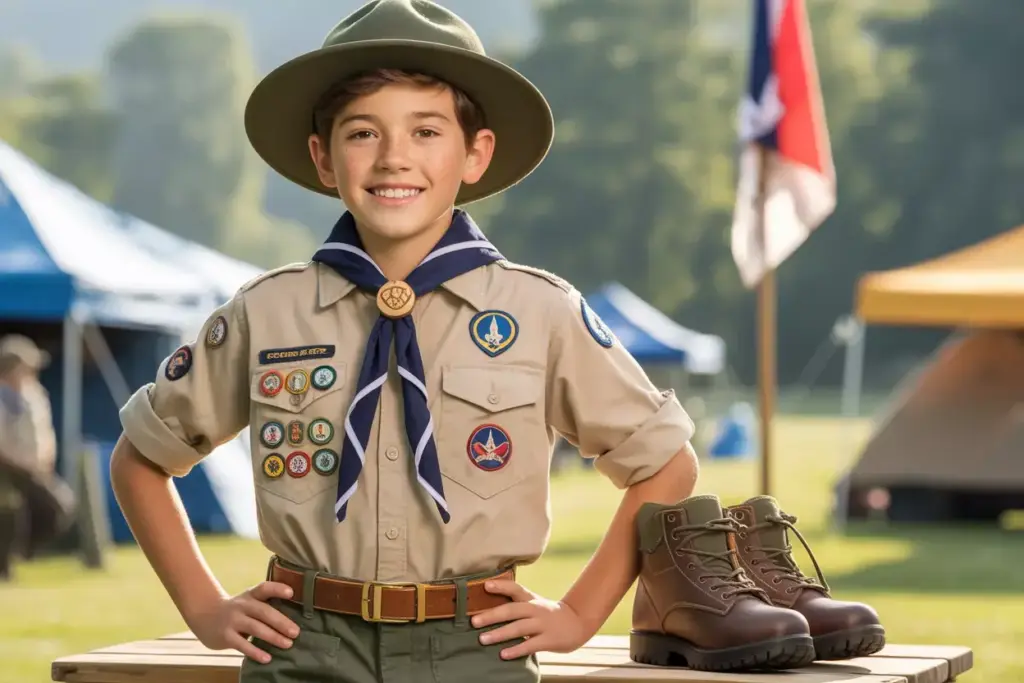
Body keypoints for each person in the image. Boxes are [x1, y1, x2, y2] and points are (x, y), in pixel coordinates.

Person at [109, 1, 700, 681]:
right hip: (304, 647)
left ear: (475, 153)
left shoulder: (539, 311)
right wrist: (204, 606)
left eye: (426, 131)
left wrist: (577, 613)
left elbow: (665, 462)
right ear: (322, 158)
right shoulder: (265, 312)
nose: (394, 157)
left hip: (476, 648)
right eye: (362, 133)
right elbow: (140, 458)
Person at [0, 334, 60, 579]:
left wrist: (46, 457)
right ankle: (5, 567)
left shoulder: (35, 393)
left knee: (58, 508)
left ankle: (22, 554)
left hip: (34, 467)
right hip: (7, 466)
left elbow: (45, 431)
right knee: (9, 515)